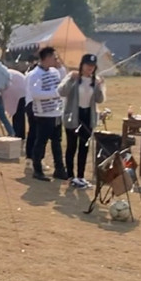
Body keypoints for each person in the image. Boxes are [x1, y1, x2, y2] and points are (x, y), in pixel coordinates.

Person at [59, 52, 106, 188]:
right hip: (74, 115)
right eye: (87, 65)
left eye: (92, 66)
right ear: (82, 65)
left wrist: (100, 86)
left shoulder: (94, 81)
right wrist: (70, 79)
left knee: (84, 147)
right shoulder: (73, 77)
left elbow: (99, 100)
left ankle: (81, 176)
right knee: (71, 146)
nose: (90, 68)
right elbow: (61, 91)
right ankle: (70, 176)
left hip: (87, 116)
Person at [25, 46, 68, 181]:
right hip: (43, 114)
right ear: (47, 58)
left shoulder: (55, 72)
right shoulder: (35, 74)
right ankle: (37, 170)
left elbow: (63, 81)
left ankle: (59, 169)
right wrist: (55, 93)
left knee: (57, 142)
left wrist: (61, 68)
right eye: (54, 58)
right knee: (41, 142)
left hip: (56, 112)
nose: (56, 60)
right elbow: (35, 94)